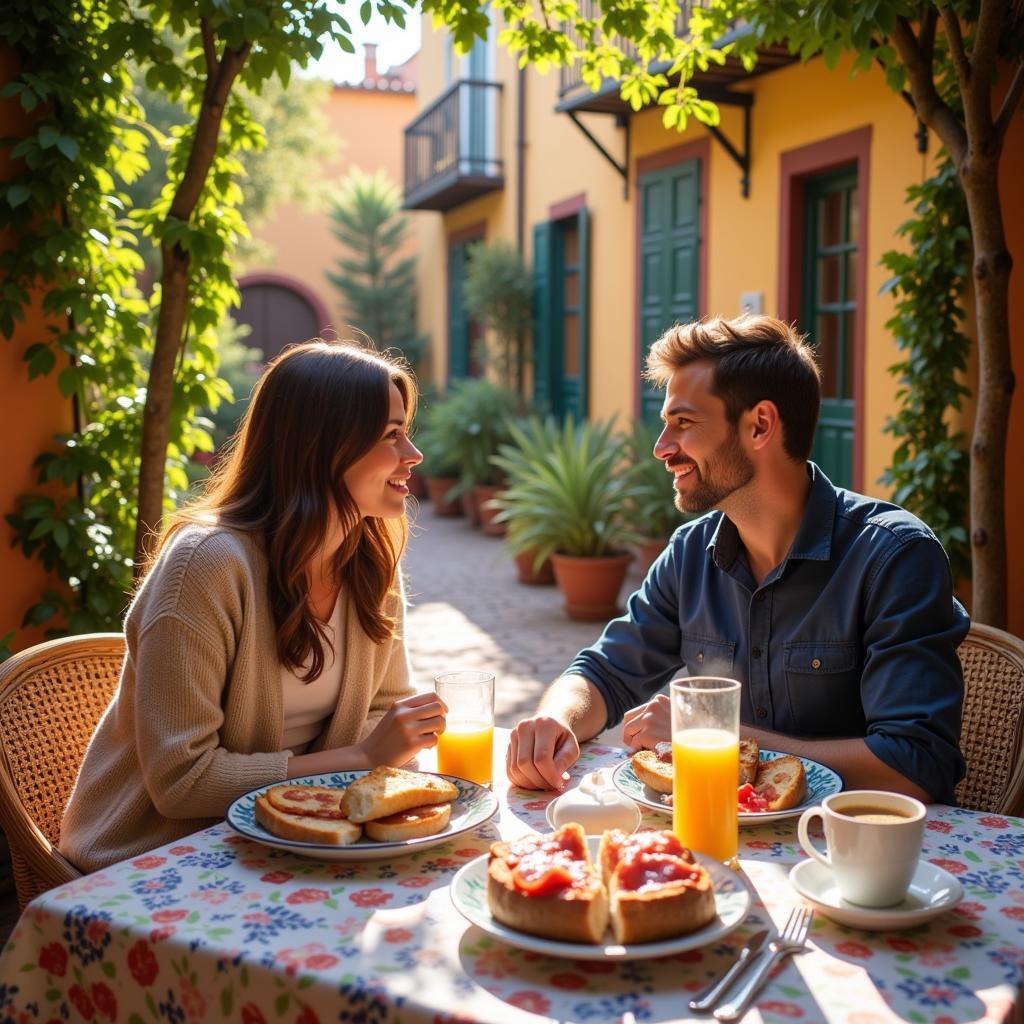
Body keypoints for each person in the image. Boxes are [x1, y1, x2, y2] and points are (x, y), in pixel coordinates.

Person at [507, 314, 969, 804]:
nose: (662, 448)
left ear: (760, 425)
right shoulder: (689, 554)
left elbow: (916, 767)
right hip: (721, 849)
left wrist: (713, 736)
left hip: (852, 857)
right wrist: (558, 718)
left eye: (683, 423)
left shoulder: (893, 557)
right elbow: (602, 673)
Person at [60, 339, 446, 871]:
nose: (413, 454)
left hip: (292, 834)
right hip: (156, 855)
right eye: (391, 435)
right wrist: (359, 759)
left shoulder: (370, 556)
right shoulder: (205, 565)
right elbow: (181, 782)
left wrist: (383, 747)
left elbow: (382, 709)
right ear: (322, 445)